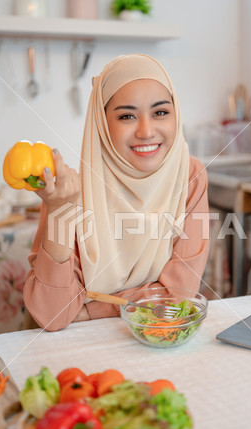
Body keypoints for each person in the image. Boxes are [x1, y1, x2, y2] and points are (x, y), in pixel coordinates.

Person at [23, 54, 210, 331]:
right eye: (127, 116)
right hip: (74, 351)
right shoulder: (69, 193)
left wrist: (90, 310)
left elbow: (177, 296)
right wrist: (60, 212)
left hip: (151, 342)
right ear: (102, 123)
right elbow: (54, 314)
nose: (146, 131)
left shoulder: (190, 175)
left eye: (160, 112)